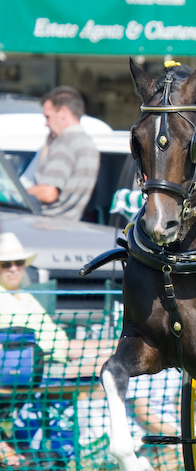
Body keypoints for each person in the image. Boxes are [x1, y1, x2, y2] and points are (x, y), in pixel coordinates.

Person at [0, 232, 112, 375]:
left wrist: (113, 345)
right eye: (6, 264)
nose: (14, 268)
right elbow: (63, 347)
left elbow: (62, 343)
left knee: (118, 362)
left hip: (58, 360)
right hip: (29, 370)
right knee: (111, 367)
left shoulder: (25, 296)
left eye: (19, 263)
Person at [26, 86, 99, 222]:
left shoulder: (65, 141)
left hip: (46, 225)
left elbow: (48, 192)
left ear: (63, 112)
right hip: (68, 225)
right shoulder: (88, 143)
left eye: (48, 117)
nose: (46, 124)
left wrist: (16, 193)